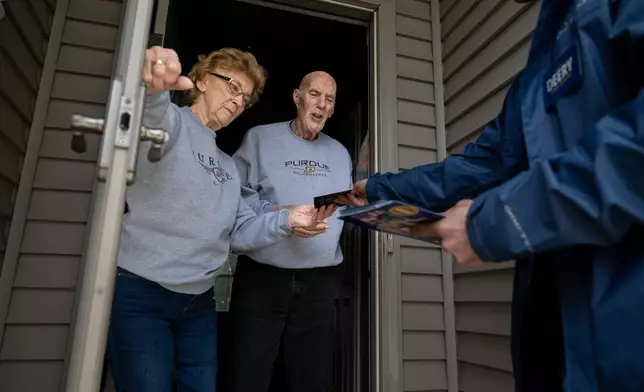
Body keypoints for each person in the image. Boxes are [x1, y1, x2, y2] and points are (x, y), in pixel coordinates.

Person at [342, 0, 644, 391]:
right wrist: (379, 187)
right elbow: (477, 167)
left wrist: (492, 222)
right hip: (556, 328)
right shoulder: (539, 66)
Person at [107, 46, 333, 392]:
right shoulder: (173, 124)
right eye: (232, 86)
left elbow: (241, 231)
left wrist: (288, 220)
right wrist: (154, 89)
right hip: (143, 292)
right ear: (200, 80)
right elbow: (147, 122)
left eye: (245, 97)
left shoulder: (227, 167)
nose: (238, 101)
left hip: (198, 302)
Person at [229, 71, 352, 392]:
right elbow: (234, 202)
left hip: (320, 284)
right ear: (297, 98)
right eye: (314, 94)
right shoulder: (259, 138)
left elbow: (345, 208)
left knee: (310, 377)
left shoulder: (340, 153)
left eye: (330, 99)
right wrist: (282, 215)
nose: (322, 104)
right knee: (248, 373)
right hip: (262, 279)